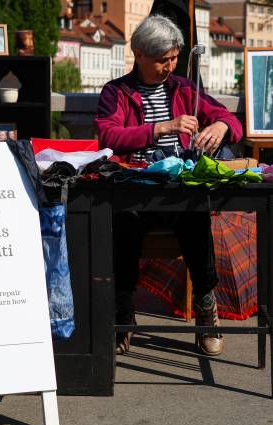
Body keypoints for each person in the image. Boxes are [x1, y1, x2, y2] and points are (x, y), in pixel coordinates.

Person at [94, 15, 243, 356]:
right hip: (135, 187)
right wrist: (162, 128)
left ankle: (206, 306)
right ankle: (123, 310)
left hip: (178, 190)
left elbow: (231, 120)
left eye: (174, 58)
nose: (171, 66)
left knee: (196, 214)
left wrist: (221, 126)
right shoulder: (116, 92)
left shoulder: (185, 89)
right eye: (163, 60)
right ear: (139, 55)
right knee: (125, 220)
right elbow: (109, 136)